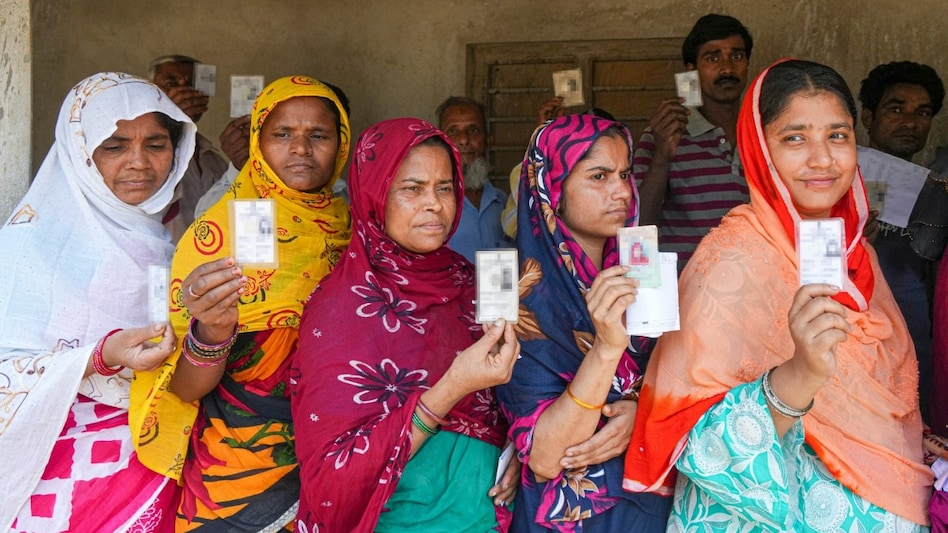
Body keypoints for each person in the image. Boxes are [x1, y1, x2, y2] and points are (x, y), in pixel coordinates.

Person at [624, 60, 931, 530]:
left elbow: (888, 405)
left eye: (837, 135)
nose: (822, 159)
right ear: (758, 148)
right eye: (794, 138)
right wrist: (799, 376)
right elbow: (694, 443)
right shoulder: (731, 259)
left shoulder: (858, 255)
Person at [130, 76, 352, 531]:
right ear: (256, 141)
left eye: (319, 135)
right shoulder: (214, 238)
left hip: (338, 459)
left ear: (342, 143)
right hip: (233, 471)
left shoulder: (363, 236)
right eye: (283, 134)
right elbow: (184, 388)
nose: (301, 150)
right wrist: (212, 330)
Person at [291, 117, 520, 532]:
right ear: (374, 194)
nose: (433, 203)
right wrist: (452, 387)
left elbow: (508, 401)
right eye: (412, 189)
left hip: (486, 515)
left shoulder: (470, 283)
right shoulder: (341, 308)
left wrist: (517, 449)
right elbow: (331, 479)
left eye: (445, 187)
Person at [0, 72, 196, 531]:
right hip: (53, 471)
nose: (139, 163)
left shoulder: (165, 247)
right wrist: (100, 356)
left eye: (156, 143)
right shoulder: (23, 250)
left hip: (149, 458)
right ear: (79, 152)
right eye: (114, 146)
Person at [494, 114, 671, 531]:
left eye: (625, 174)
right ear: (552, 188)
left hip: (645, 502)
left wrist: (638, 413)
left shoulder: (644, 273)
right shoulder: (512, 294)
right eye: (598, 176)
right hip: (566, 517)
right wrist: (607, 349)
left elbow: (686, 386)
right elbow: (546, 454)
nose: (622, 191)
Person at [857, 60, 945, 424]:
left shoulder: (937, 189)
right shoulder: (836, 177)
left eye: (922, 113)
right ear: (867, 117)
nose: (911, 122)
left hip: (917, 334)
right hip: (857, 332)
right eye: (896, 109)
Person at [634, 14, 753, 271]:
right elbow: (637, 228)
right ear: (691, 70)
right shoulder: (662, 135)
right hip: (685, 296)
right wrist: (662, 158)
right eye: (712, 58)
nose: (727, 69)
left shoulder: (764, 136)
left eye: (737, 56)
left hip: (756, 293)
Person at [149, 55, 231, 240]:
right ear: (152, 90)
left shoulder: (214, 161)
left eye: (194, 84)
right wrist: (170, 121)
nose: (184, 90)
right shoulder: (144, 156)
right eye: (171, 83)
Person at [436, 96, 514, 261]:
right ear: (440, 143)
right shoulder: (431, 206)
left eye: (473, 130)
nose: (464, 140)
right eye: (453, 131)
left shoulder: (504, 203)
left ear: (488, 141)